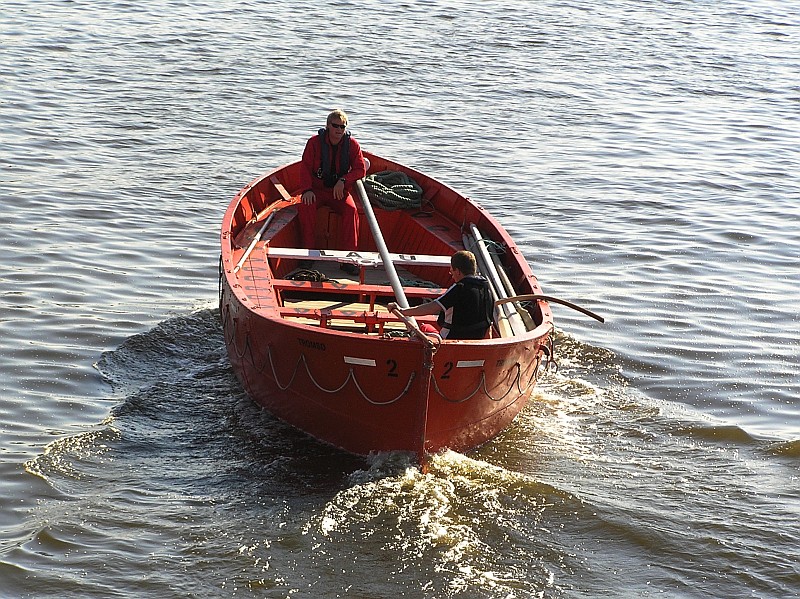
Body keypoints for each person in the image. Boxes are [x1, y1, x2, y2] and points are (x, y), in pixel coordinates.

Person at [297, 108, 367, 275]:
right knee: (306, 207)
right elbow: (305, 167)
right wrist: (306, 189)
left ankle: (348, 260)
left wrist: (343, 181)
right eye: (335, 126)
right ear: (328, 126)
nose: (339, 130)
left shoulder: (352, 145)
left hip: (338, 191)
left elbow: (360, 170)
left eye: (342, 127)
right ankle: (308, 255)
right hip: (317, 189)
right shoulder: (313, 143)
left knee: (351, 211)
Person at [388, 250, 494, 340]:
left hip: (452, 340)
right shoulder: (486, 289)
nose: (452, 276)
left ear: (458, 271)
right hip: (477, 341)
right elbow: (489, 323)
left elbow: (432, 308)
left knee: (425, 327)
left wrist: (403, 311)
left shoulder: (459, 288)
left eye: (451, 271)